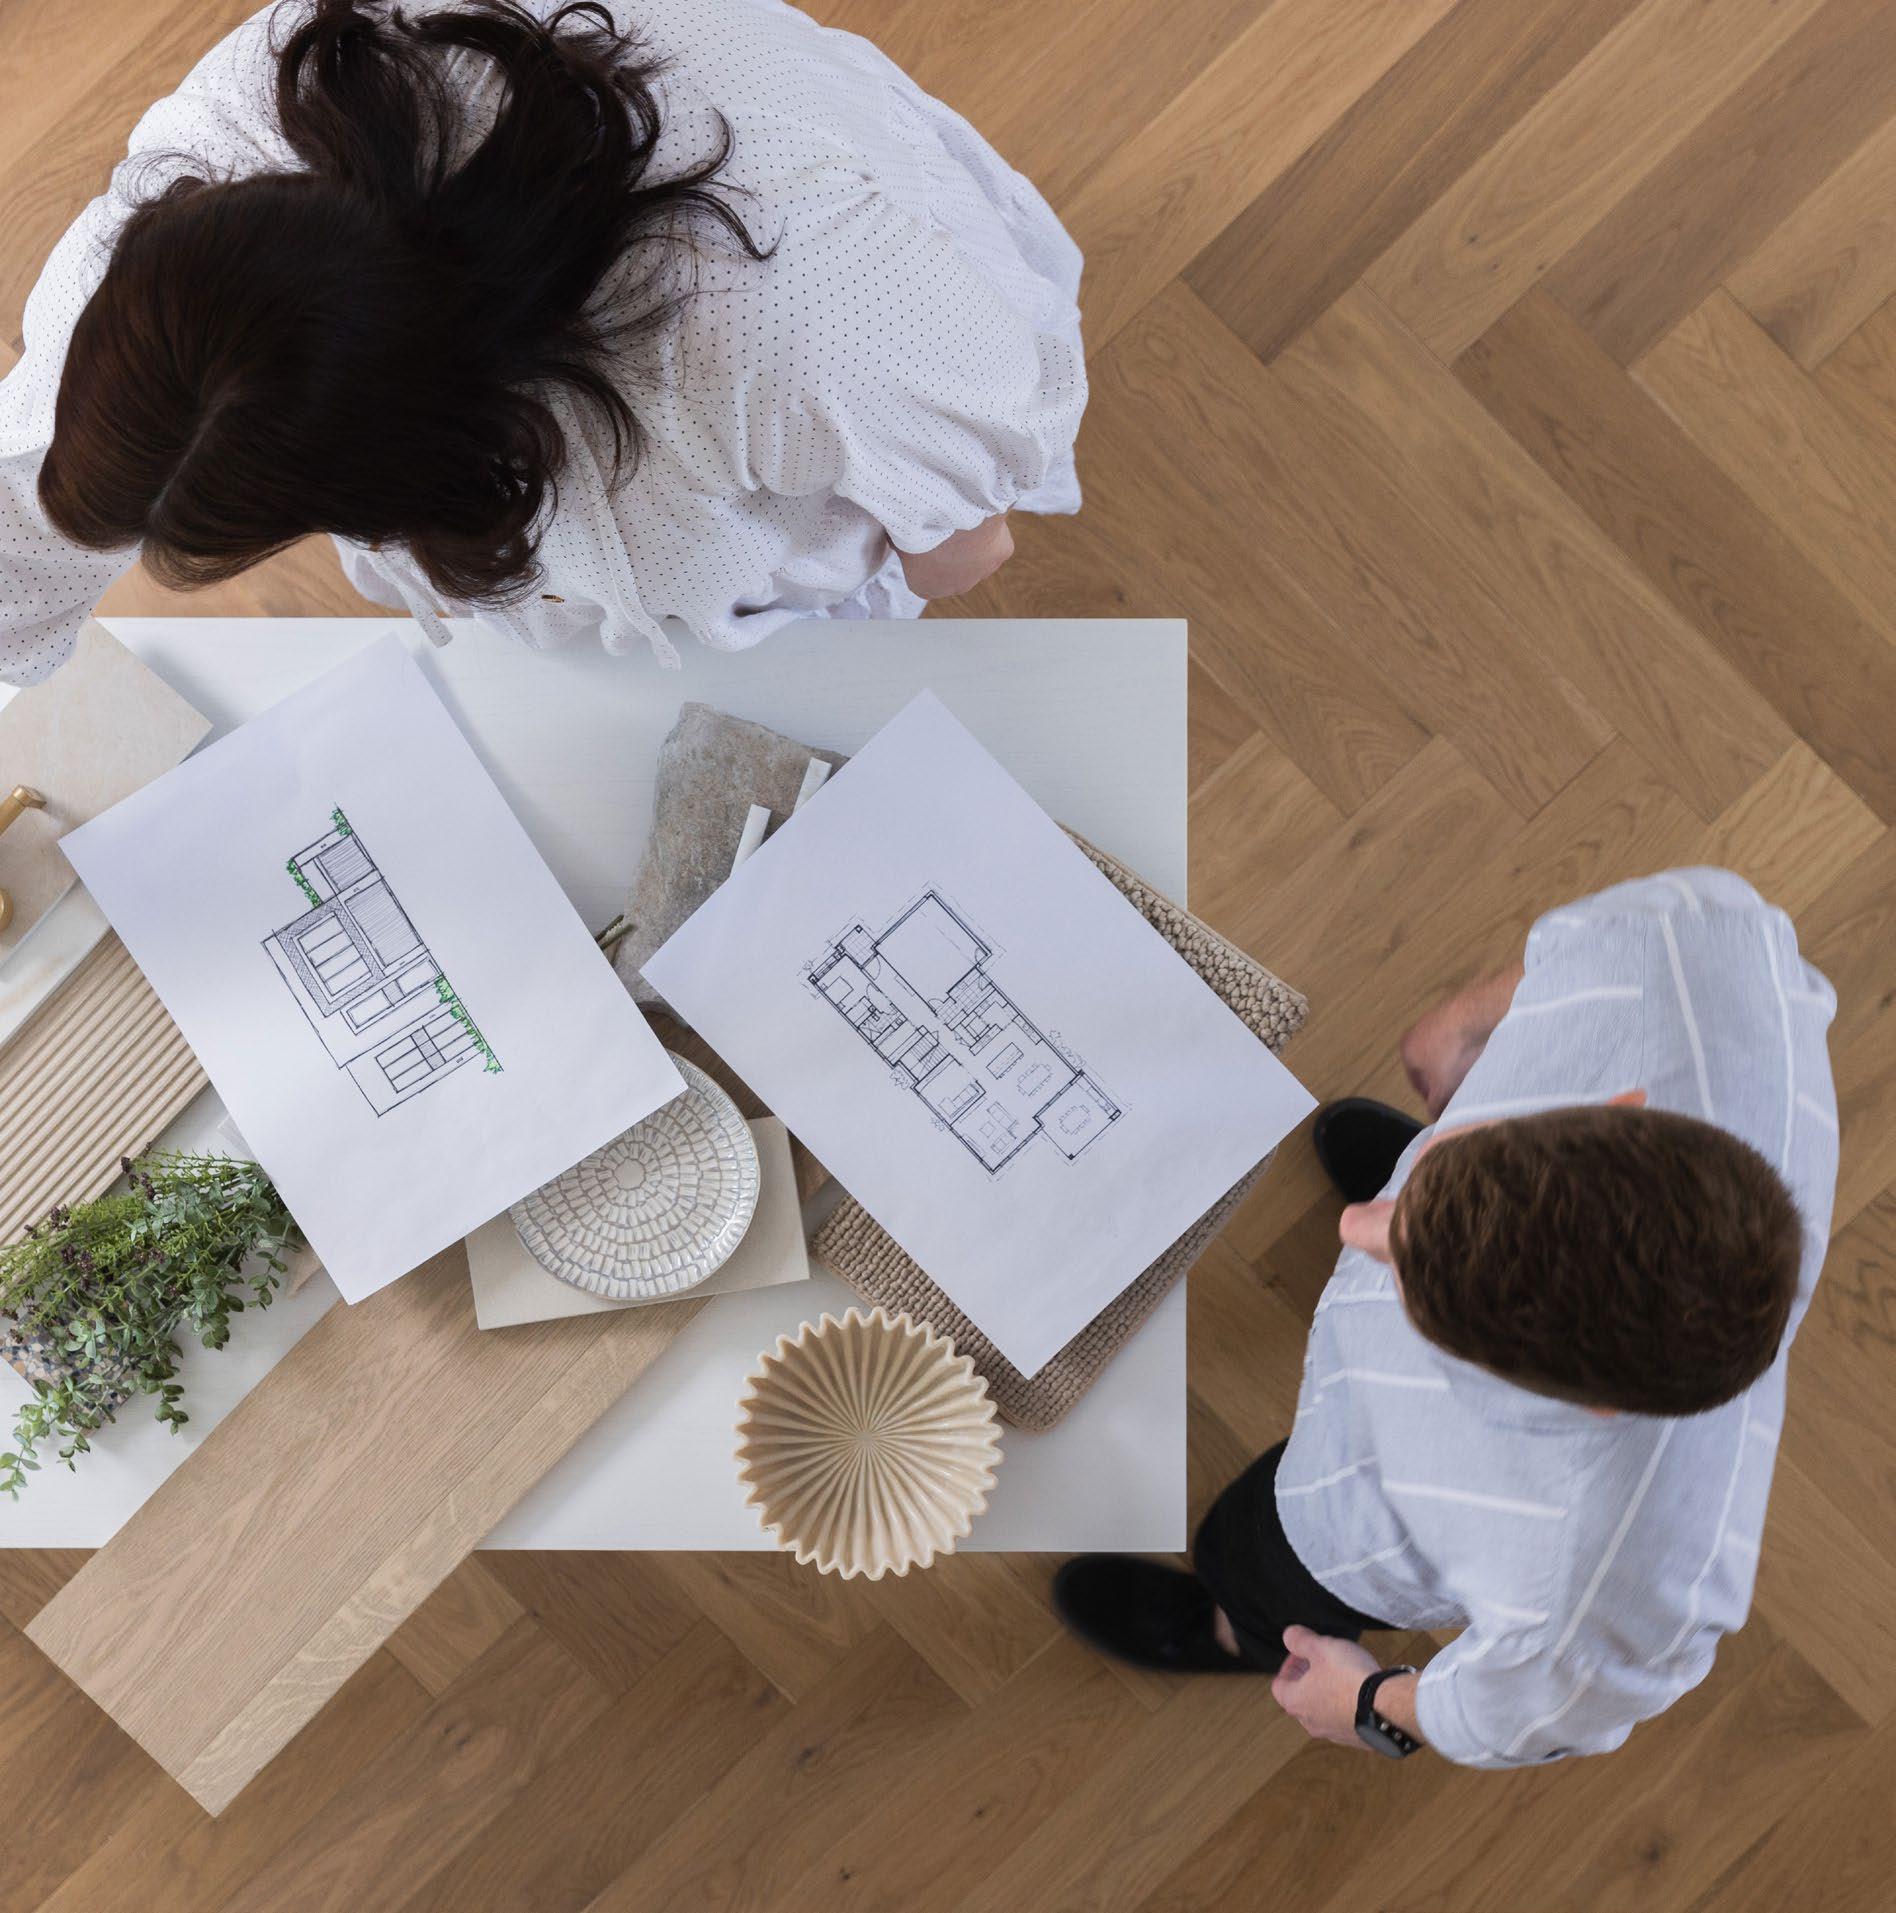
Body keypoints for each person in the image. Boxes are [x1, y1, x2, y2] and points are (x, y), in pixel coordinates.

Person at [0, 0, 1085, 687]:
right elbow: (36, 506)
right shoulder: (220, 165)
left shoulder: (807, 329)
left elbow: (965, 545)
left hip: (823, 374)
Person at [1055, 868, 1838, 1769]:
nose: (1355, 1227)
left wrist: (1370, 1703)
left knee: (1249, 1552)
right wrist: (1472, 1022)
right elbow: (1626, 927)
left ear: (1585, 1406)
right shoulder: (1703, 962)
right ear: (1617, 1112)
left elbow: (1531, 1712)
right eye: (1461, 1154)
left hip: (1355, 1509)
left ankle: (1237, 1625)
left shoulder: (1603, 1581)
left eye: (1408, 1274)